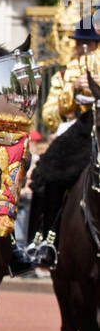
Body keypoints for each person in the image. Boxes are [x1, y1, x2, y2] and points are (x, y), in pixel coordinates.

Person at [29, 14, 100, 266]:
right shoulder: (65, 74)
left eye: (90, 44)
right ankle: (43, 239)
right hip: (78, 131)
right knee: (46, 171)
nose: (84, 49)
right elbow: (49, 116)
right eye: (80, 43)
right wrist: (72, 93)